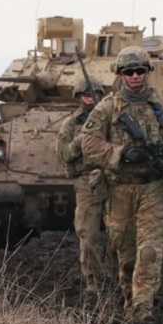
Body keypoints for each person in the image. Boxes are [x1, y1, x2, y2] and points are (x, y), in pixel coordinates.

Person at [80, 46, 163, 324]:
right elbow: (89, 144)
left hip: (153, 188)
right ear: (120, 75)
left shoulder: (162, 107)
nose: (135, 76)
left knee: (149, 251)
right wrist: (120, 153)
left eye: (140, 70)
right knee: (126, 256)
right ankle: (131, 305)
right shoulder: (107, 108)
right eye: (129, 72)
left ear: (148, 72)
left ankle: (143, 310)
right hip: (119, 189)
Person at [56, 76, 108, 296]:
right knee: (88, 235)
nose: (89, 96)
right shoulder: (71, 124)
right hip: (87, 182)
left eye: (93, 92)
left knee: (121, 233)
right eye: (85, 93)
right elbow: (65, 154)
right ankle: (94, 281)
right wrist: (84, 136)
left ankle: (124, 277)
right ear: (78, 96)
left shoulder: (111, 118)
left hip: (113, 177)